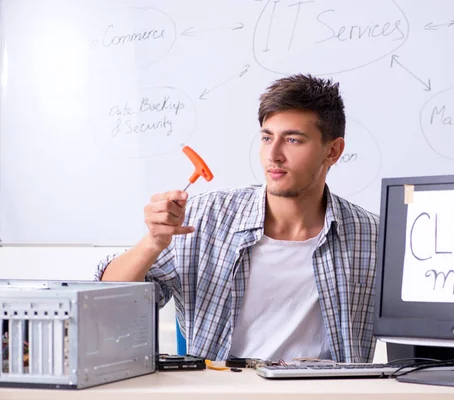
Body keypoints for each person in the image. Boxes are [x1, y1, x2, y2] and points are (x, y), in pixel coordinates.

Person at [95, 74, 379, 363]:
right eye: (267, 137)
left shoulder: (373, 236)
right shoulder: (202, 219)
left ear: (333, 151)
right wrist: (152, 242)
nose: (274, 155)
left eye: (293, 140)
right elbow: (105, 305)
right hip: (221, 390)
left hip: (330, 393)